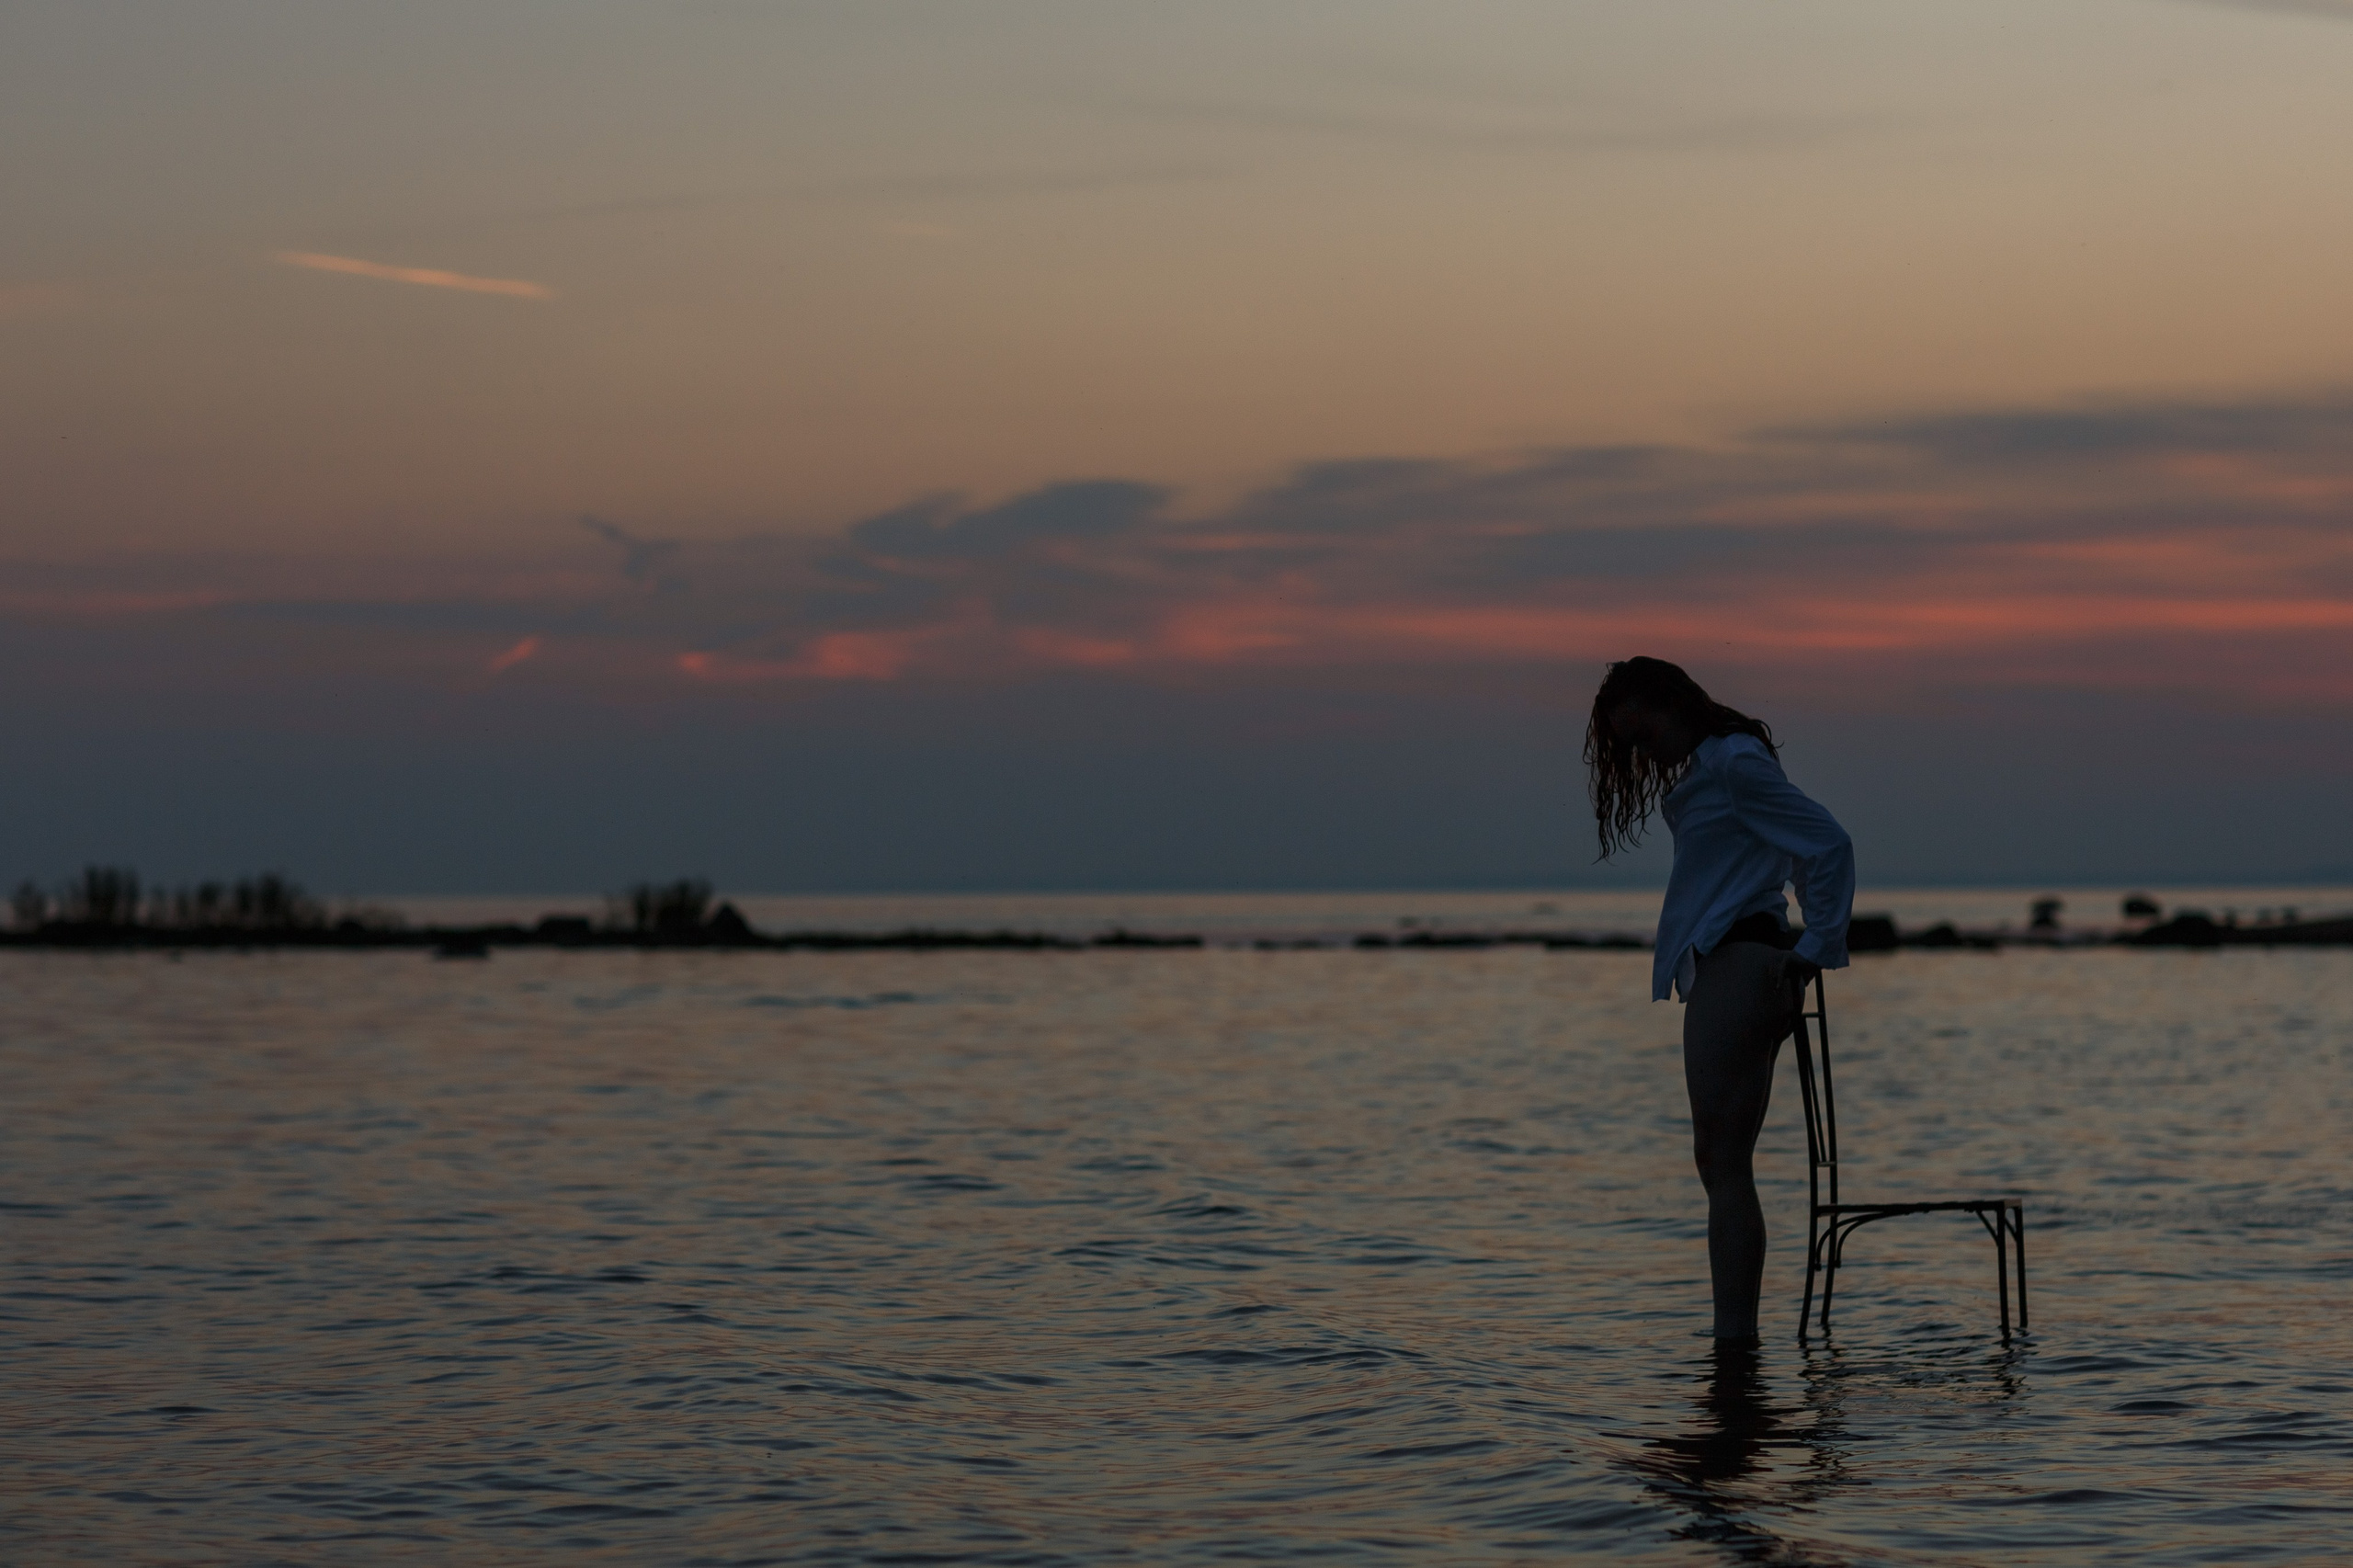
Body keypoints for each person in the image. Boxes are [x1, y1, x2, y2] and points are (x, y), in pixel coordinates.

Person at [1585, 657, 1855, 1342]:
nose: (1644, 754)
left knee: (1723, 1163)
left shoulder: (1734, 763)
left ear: (1670, 704)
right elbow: (1795, 849)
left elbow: (1826, 844)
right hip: (1739, 963)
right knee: (1721, 1161)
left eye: (1642, 736)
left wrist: (1817, 947)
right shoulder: (1722, 765)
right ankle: (1735, 1341)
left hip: (1741, 963)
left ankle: (1735, 1344)